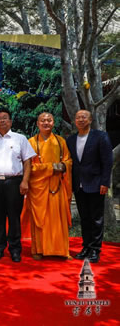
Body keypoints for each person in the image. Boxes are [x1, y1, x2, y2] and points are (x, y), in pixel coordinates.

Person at [0, 108, 36, 262]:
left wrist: (25, 181)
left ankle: (15, 249)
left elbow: (27, 161)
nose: (2, 121)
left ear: (10, 121)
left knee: (14, 216)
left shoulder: (20, 139)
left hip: (14, 182)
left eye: (5, 118)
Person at [66, 110, 113, 263]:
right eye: (78, 117)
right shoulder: (71, 139)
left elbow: (107, 162)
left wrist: (105, 182)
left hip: (96, 183)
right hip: (78, 185)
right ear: (74, 120)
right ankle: (86, 247)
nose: (80, 119)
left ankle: (95, 249)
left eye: (84, 117)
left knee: (96, 218)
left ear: (90, 120)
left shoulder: (100, 136)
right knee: (84, 218)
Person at [27, 113, 72, 260]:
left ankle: (61, 250)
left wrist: (64, 166)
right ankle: (39, 250)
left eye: (49, 120)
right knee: (41, 219)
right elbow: (28, 167)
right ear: (38, 123)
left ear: (53, 123)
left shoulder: (60, 141)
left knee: (58, 219)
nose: (46, 123)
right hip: (39, 188)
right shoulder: (31, 142)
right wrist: (52, 167)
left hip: (57, 186)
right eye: (43, 120)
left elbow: (68, 162)